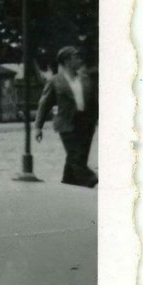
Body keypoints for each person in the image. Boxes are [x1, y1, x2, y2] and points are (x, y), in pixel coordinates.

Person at [35, 46, 98, 188]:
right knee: (76, 156)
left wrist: (97, 120)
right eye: (76, 57)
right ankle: (91, 179)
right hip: (67, 123)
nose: (80, 60)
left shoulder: (85, 78)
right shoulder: (55, 81)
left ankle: (68, 182)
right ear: (67, 61)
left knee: (79, 156)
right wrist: (38, 127)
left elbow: (94, 102)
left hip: (86, 123)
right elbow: (44, 104)